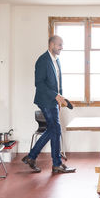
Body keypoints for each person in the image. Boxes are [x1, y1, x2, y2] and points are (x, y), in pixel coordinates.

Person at [22, 35, 76, 174]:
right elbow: (39, 84)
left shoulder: (56, 61)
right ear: (51, 44)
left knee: (54, 130)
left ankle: (35, 157)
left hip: (54, 101)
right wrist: (55, 96)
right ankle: (52, 162)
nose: (61, 48)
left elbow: (58, 83)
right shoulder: (42, 60)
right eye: (59, 45)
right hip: (45, 101)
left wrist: (61, 100)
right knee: (55, 130)